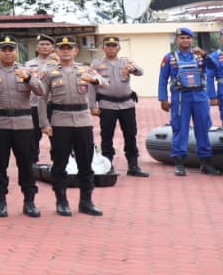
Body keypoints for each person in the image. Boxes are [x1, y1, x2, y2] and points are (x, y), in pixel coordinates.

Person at [0, 36, 45, 218]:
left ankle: (29, 201)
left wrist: (28, 78)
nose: (7, 53)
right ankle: (0, 201)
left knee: (26, 164)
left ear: (16, 51)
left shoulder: (26, 70)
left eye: (11, 49)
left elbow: (41, 91)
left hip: (23, 124)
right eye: (4, 49)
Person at [38, 35, 107, 215]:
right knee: (59, 163)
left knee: (85, 163)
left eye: (69, 48)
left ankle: (86, 201)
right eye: (62, 48)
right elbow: (41, 99)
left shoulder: (86, 69)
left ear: (75, 51)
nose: (66, 51)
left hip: (83, 120)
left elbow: (105, 83)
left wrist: (94, 80)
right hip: (60, 120)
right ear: (56, 51)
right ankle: (61, 201)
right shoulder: (49, 72)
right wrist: (44, 123)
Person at [157, 27, 217, 176]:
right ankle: (179, 163)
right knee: (180, 128)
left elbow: (214, 67)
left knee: (203, 127)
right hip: (180, 97)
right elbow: (163, 79)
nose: (185, 40)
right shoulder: (169, 57)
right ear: (177, 40)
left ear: (192, 40)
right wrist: (163, 99)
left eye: (188, 38)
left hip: (200, 96)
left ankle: (205, 163)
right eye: (182, 38)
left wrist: (205, 55)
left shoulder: (200, 55)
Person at [89, 36, 148, 177]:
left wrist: (133, 68)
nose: (111, 48)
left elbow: (140, 72)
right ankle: (107, 165)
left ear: (119, 48)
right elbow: (91, 86)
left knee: (131, 135)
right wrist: (92, 105)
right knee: (107, 136)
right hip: (107, 105)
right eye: (108, 45)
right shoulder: (96, 64)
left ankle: (133, 166)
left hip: (127, 104)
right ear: (103, 48)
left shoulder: (125, 62)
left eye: (114, 45)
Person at [25, 34, 59, 165]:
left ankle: (58, 163)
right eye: (42, 44)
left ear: (53, 48)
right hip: (34, 105)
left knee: (57, 138)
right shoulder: (29, 65)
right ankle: (32, 165)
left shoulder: (59, 63)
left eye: (48, 44)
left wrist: (54, 61)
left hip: (53, 105)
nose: (45, 47)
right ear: (37, 48)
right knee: (32, 138)